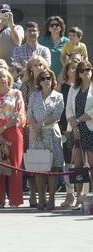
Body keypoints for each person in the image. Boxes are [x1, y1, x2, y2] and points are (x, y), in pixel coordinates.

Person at [27, 68, 64, 210]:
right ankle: (41, 199)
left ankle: (52, 199)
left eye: (48, 78)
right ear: (39, 81)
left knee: (53, 168)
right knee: (39, 167)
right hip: (36, 135)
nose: (45, 80)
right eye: (42, 78)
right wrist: (35, 125)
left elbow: (57, 115)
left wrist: (41, 124)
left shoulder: (58, 96)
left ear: (52, 80)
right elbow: (29, 114)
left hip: (51, 134)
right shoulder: (34, 96)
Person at [0, 67, 25, 208]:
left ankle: (15, 199)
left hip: (12, 130)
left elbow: (18, 115)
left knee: (15, 165)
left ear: (9, 78)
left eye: (4, 76)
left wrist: (3, 128)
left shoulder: (16, 93)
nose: (2, 79)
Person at [19, 54, 49, 207]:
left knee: (47, 161)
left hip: (47, 126)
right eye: (35, 65)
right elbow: (22, 106)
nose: (38, 67)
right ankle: (32, 194)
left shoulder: (48, 82)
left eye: (41, 65)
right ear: (30, 68)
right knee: (32, 161)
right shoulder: (26, 85)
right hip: (30, 127)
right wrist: (31, 122)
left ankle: (45, 195)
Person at [59, 54, 83, 208]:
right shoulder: (62, 87)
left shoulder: (84, 87)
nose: (73, 70)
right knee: (68, 162)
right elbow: (62, 110)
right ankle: (70, 194)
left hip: (81, 127)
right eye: (71, 68)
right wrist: (65, 129)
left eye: (76, 68)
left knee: (80, 162)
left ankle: (82, 195)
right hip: (65, 128)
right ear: (66, 71)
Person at [66, 59, 93, 187]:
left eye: (88, 69)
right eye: (82, 70)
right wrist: (75, 125)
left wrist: (78, 120)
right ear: (79, 74)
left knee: (92, 163)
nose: (86, 72)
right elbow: (68, 109)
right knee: (78, 164)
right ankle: (79, 195)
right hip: (75, 129)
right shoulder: (73, 88)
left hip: (90, 129)